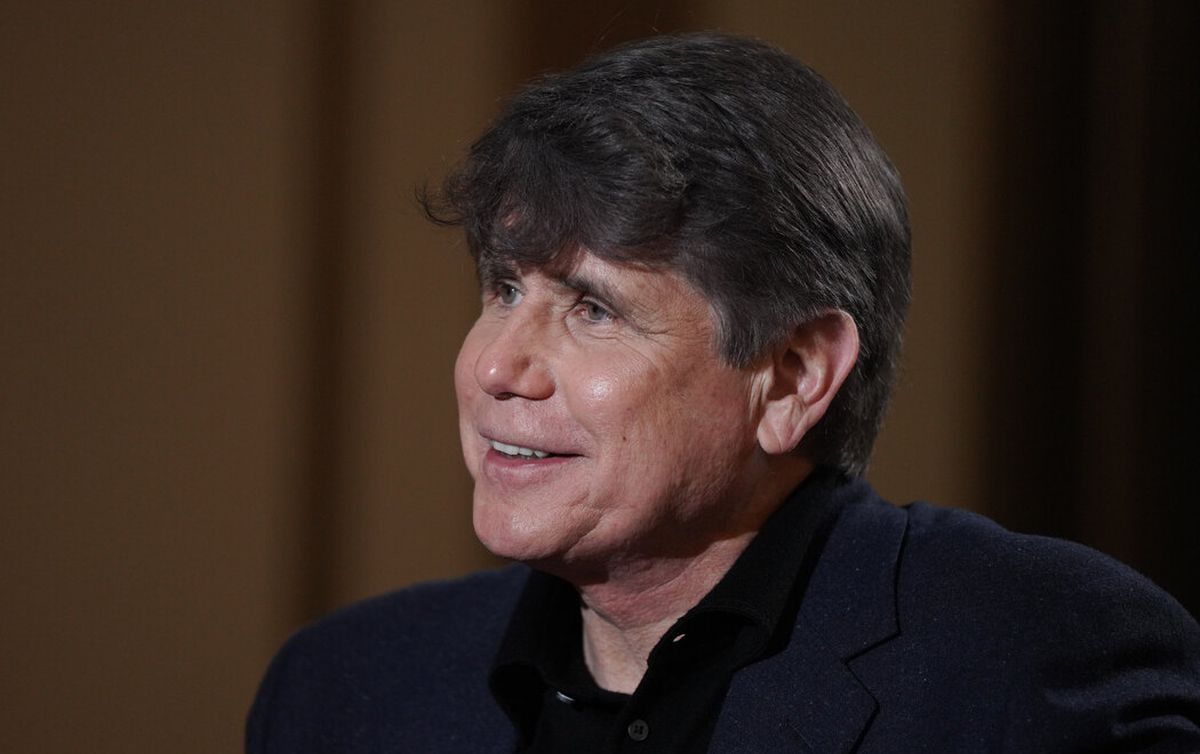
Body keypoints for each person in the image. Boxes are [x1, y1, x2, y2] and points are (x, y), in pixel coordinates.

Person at [246, 33, 1200, 752]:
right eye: (503, 290)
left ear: (791, 376)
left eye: (591, 310)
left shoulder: (1030, 661)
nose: (497, 368)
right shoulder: (342, 691)